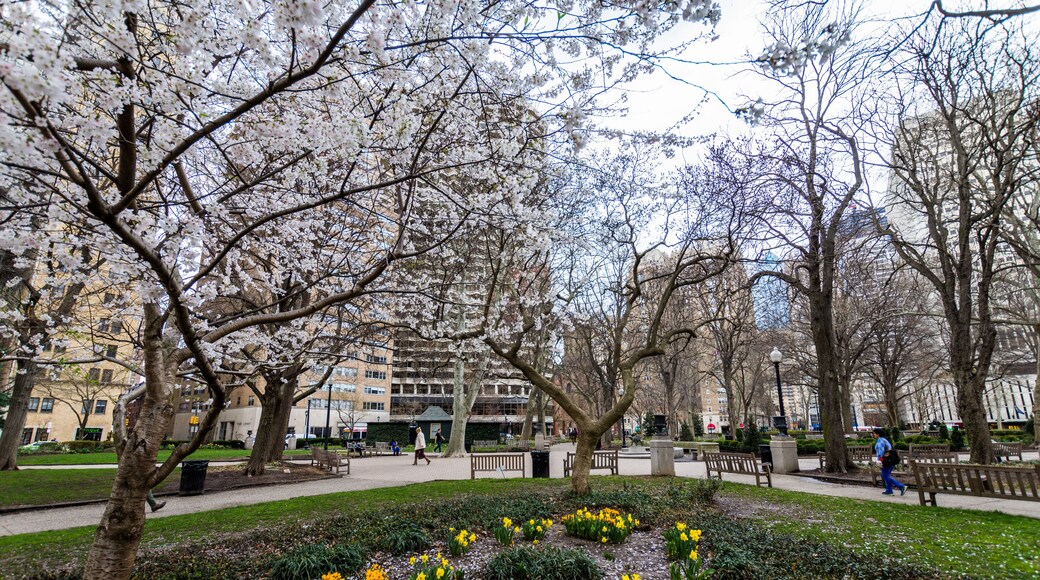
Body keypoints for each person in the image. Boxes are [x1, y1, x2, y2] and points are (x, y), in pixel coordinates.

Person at [872, 428, 906, 496]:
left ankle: (901, 486)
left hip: (885, 460)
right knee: (887, 475)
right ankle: (889, 490)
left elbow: (881, 451)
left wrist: (879, 461)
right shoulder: (884, 439)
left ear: (878, 434)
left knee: (885, 476)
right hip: (890, 459)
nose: (873, 435)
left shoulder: (880, 441)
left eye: (874, 433)